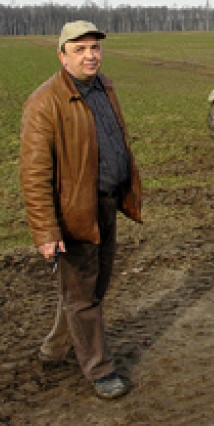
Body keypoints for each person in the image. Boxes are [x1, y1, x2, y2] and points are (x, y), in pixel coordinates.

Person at [20, 20, 142, 400]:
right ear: (62, 55)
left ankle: (55, 348)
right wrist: (46, 232)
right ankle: (100, 370)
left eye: (95, 48)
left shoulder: (104, 87)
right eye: (80, 49)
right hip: (74, 215)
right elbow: (35, 173)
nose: (91, 55)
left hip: (105, 204)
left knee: (90, 287)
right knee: (82, 296)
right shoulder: (45, 102)